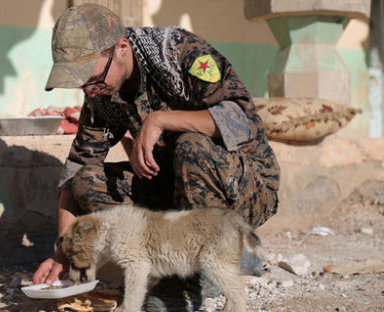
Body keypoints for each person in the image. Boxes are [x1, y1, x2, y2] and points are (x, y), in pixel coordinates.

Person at [33, 4, 280, 311]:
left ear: (121, 48)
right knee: (87, 182)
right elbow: (79, 168)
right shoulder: (102, 91)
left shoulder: (179, 52)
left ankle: (188, 280)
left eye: (92, 78)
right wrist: (63, 253)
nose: (90, 91)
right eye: (83, 83)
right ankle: (170, 264)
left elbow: (242, 122)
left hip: (244, 189)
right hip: (174, 194)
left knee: (192, 148)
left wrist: (161, 120)